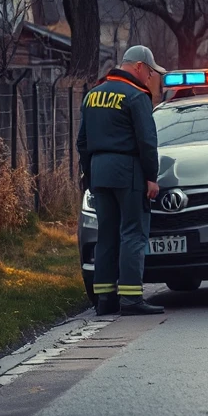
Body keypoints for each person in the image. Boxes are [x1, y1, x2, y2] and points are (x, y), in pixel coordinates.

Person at [77, 45, 166, 316]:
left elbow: (82, 141)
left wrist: (90, 175)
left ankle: (105, 299)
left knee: (107, 233)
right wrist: (151, 177)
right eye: (150, 72)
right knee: (133, 233)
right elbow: (147, 142)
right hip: (127, 170)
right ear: (139, 66)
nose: (151, 78)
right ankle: (131, 298)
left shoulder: (92, 95)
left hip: (99, 169)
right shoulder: (137, 95)